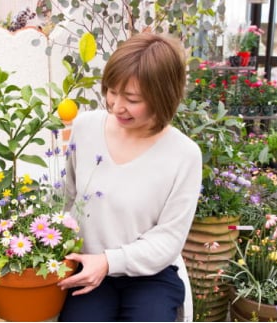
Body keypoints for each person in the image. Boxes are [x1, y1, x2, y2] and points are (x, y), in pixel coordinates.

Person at [57, 32, 203, 322]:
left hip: (151, 276)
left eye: (132, 98)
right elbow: (66, 197)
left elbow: (168, 238)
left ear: (163, 96)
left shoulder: (184, 154)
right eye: (112, 91)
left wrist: (110, 261)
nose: (116, 105)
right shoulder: (86, 128)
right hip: (87, 268)